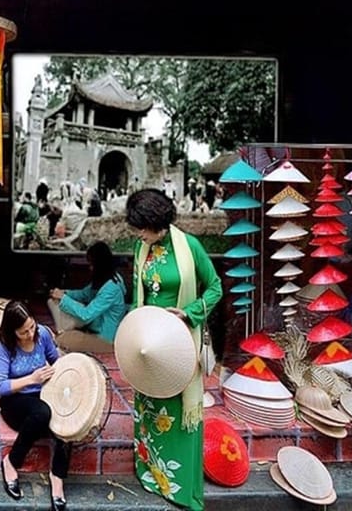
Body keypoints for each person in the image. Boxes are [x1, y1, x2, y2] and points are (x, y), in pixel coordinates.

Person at [124, 189, 222, 511]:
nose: (137, 234)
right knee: (150, 408)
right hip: (148, 346)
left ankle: (181, 489)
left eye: (141, 227)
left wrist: (189, 313)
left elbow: (215, 287)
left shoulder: (189, 247)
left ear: (157, 224)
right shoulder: (143, 248)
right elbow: (139, 296)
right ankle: (151, 472)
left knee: (178, 414)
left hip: (180, 343)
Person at [0, 300, 69, 511]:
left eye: (32, 327)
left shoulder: (43, 333)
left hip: (42, 394)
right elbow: (0, 386)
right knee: (43, 413)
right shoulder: (4, 345)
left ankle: (57, 476)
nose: (29, 334)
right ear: (12, 331)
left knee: (68, 419)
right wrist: (31, 379)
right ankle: (11, 462)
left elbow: (55, 360)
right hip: (14, 401)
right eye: (23, 331)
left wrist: (71, 371)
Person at [48, 241, 126, 354]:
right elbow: (85, 294)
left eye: (91, 264)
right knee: (53, 303)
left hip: (105, 340)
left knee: (61, 340)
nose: (90, 268)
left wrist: (64, 298)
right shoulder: (107, 278)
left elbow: (86, 315)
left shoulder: (111, 289)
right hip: (93, 330)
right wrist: (64, 293)